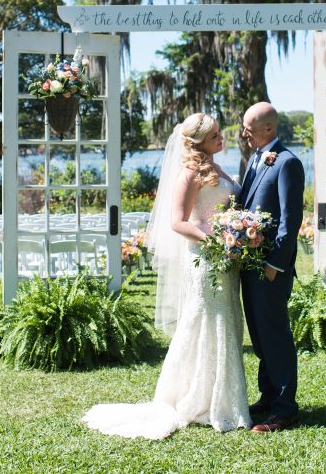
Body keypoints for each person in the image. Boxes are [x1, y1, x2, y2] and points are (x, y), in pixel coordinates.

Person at [82, 113, 251, 439]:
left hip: (225, 261)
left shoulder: (215, 166)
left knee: (227, 319)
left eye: (219, 133)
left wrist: (236, 232)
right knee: (205, 320)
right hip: (204, 259)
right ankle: (197, 399)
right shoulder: (188, 173)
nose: (222, 138)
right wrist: (217, 241)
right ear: (199, 140)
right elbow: (178, 222)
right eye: (216, 134)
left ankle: (224, 396)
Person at [238, 102, 305, 433]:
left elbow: (289, 222)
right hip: (249, 265)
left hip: (270, 268)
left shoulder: (288, 163)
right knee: (261, 335)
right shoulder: (255, 159)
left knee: (276, 335)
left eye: (250, 126)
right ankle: (268, 398)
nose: (244, 132)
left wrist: (273, 265)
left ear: (269, 128)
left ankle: (285, 409)